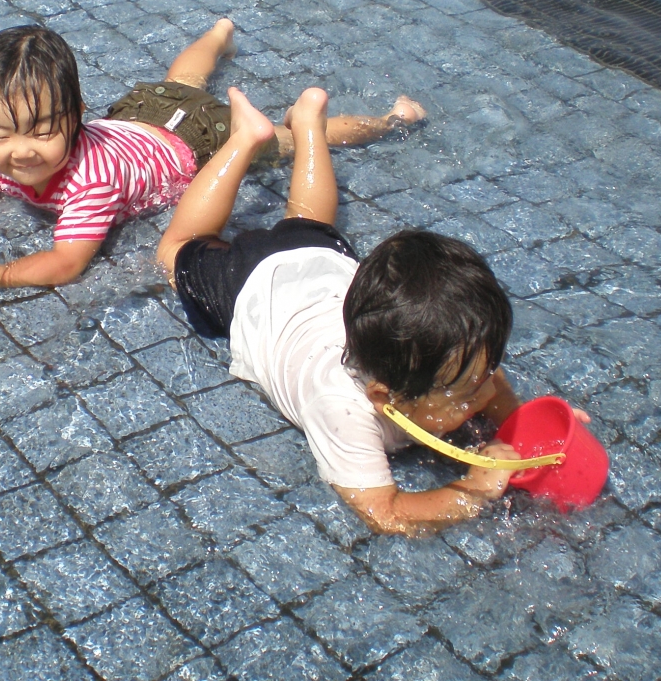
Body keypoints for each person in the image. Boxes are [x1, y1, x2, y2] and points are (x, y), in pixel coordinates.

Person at [155, 86, 592, 534]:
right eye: (468, 393)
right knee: (176, 249)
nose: (487, 396)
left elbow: (488, 384)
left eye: (485, 377)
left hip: (328, 270)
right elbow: (383, 511)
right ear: (384, 398)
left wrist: (522, 428)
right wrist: (474, 491)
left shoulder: (449, 355)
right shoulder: (341, 409)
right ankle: (244, 138)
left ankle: (309, 125)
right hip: (253, 287)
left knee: (311, 224)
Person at [0, 21, 424, 289]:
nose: (20, 151)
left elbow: (68, 262)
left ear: (77, 113)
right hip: (140, 115)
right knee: (183, 82)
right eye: (0, 133)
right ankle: (219, 33)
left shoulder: (88, 182)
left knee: (291, 142)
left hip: (199, 142)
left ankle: (390, 120)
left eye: (40, 131)